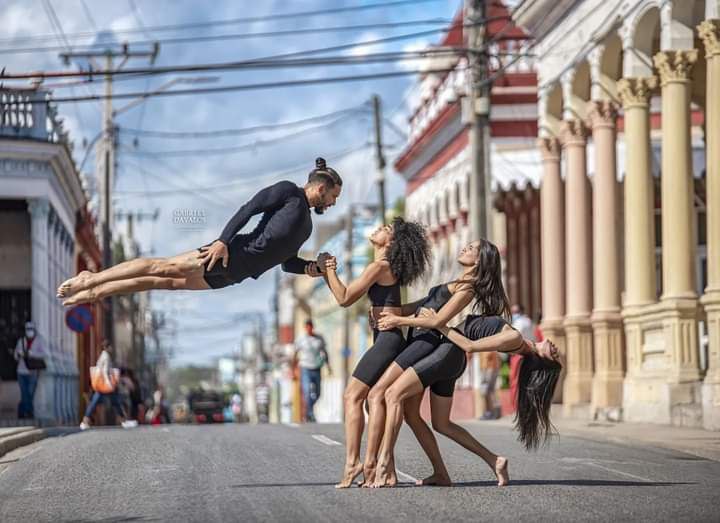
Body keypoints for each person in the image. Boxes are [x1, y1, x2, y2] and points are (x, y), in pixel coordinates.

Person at [370, 246, 562, 488]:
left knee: (392, 393)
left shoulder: (513, 339)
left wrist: (437, 324)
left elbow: (469, 346)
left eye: (554, 355)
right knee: (441, 423)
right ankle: (489, 461)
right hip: (450, 355)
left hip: (450, 353)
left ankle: (385, 462)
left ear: (542, 360)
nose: (554, 348)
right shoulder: (514, 337)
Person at [57, 158, 342, 305]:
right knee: (162, 266)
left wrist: (312, 268)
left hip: (233, 276)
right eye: (333, 197)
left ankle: (97, 293)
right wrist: (222, 241)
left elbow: (286, 262)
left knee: (162, 283)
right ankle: (92, 278)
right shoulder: (288, 192)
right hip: (229, 254)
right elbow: (249, 208)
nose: (333, 203)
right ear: (320, 188)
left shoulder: (306, 226)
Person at [367, 240, 494, 486]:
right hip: (419, 338)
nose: (464, 247)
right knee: (412, 414)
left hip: (426, 342)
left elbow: (438, 321)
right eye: (466, 245)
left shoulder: (468, 289)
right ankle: (441, 473)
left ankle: (384, 465)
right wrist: (389, 311)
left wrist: (398, 321)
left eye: (471, 248)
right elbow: (422, 305)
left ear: (479, 260)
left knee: (382, 392)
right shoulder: (456, 282)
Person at [321, 217, 430, 488]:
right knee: (372, 400)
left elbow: (345, 298)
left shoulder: (379, 267)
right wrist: (425, 303)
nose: (380, 229)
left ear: (390, 242)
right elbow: (395, 307)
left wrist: (328, 270)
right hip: (386, 337)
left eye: (386, 229)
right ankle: (382, 468)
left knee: (353, 395)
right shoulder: (387, 267)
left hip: (388, 340)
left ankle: (354, 463)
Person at [80, 341, 136, 430]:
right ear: (106, 347)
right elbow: (105, 371)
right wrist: (108, 383)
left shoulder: (103, 355)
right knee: (101, 403)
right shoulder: (106, 356)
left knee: (112, 402)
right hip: (105, 385)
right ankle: (85, 420)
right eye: (110, 347)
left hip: (103, 385)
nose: (111, 348)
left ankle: (123, 420)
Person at [294, 319, 330, 423]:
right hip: (305, 367)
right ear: (305, 328)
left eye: (311, 327)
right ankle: (310, 414)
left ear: (312, 327)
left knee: (318, 393)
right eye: (307, 327)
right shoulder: (301, 339)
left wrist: (328, 365)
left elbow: (325, 351)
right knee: (307, 392)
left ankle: (308, 410)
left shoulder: (319, 338)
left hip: (316, 368)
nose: (309, 329)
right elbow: (295, 354)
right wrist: (294, 369)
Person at [13, 321, 46, 419]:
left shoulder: (39, 341)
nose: (29, 331)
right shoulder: (21, 341)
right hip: (21, 371)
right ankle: (28, 413)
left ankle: (23, 411)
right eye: (28, 329)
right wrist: (19, 354)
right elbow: (15, 355)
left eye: (31, 329)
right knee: (24, 392)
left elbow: (44, 354)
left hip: (33, 371)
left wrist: (32, 354)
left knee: (30, 392)